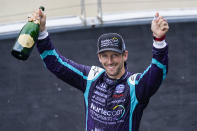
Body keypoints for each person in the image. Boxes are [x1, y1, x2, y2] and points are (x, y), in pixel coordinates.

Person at [29, 8, 169, 131]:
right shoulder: (91, 78)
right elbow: (56, 64)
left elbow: (157, 73)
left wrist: (159, 41)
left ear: (124, 55)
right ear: (99, 57)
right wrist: (41, 33)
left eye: (115, 55)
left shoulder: (134, 86)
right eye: (105, 56)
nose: (110, 61)